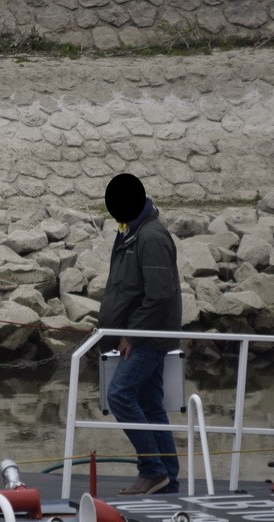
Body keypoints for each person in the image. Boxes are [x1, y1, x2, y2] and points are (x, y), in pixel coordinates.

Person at [98, 173, 182, 495]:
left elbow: (159, 295)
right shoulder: (132, 232)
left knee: (119, 394)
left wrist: (130, 335)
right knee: (150, 403)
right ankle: (167, 478)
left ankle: (152, 469)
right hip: (143, 334)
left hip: (147, 338)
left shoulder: (150, 237)